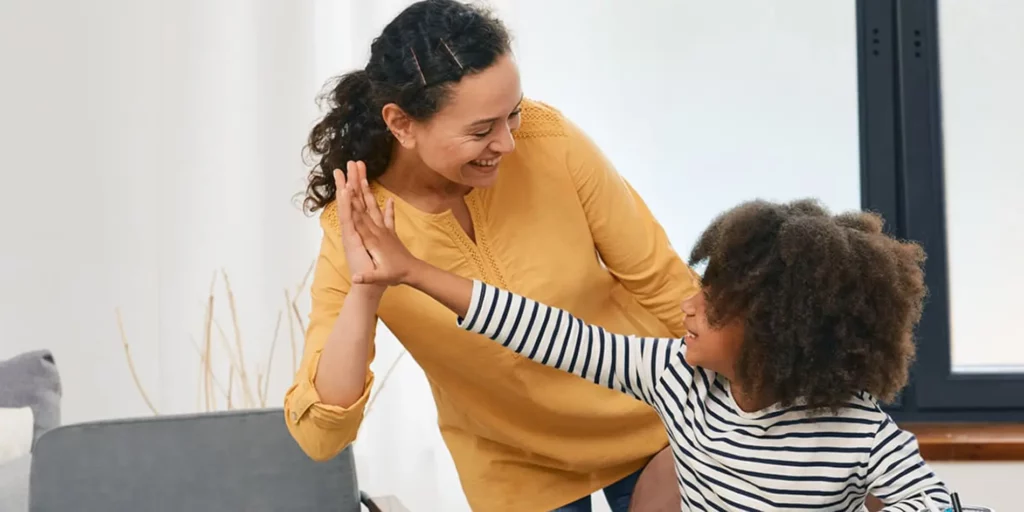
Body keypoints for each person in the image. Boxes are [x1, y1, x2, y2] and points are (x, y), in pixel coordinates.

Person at [283, 1, 698, 510]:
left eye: (513, 113)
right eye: (481, 131)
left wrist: (731, 417)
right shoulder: (358, 223)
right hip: (516, 467)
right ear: (402, 123)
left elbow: (663, 282)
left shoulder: (550, 140)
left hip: (655, 424)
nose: (508, 143)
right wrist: (366, 288)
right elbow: (321, 434)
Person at [342, 187, 953, 511]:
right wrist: (414, 271)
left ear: (775, 329)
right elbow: (552, 333)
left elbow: (928, 500)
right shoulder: (675, 378)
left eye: (713, 301)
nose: (689, 304)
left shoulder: (855, 428)